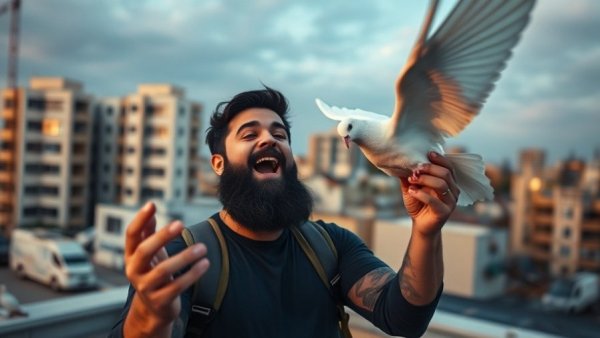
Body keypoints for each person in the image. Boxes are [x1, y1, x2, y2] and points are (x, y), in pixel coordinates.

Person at [109, 87, 459, 338]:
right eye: (250, 134)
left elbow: (404, 320)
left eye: (280, 134)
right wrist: (150, 319)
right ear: (218, 163)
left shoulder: (331, 246)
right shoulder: (182, 256)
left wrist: (425, 232)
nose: (270, 140)